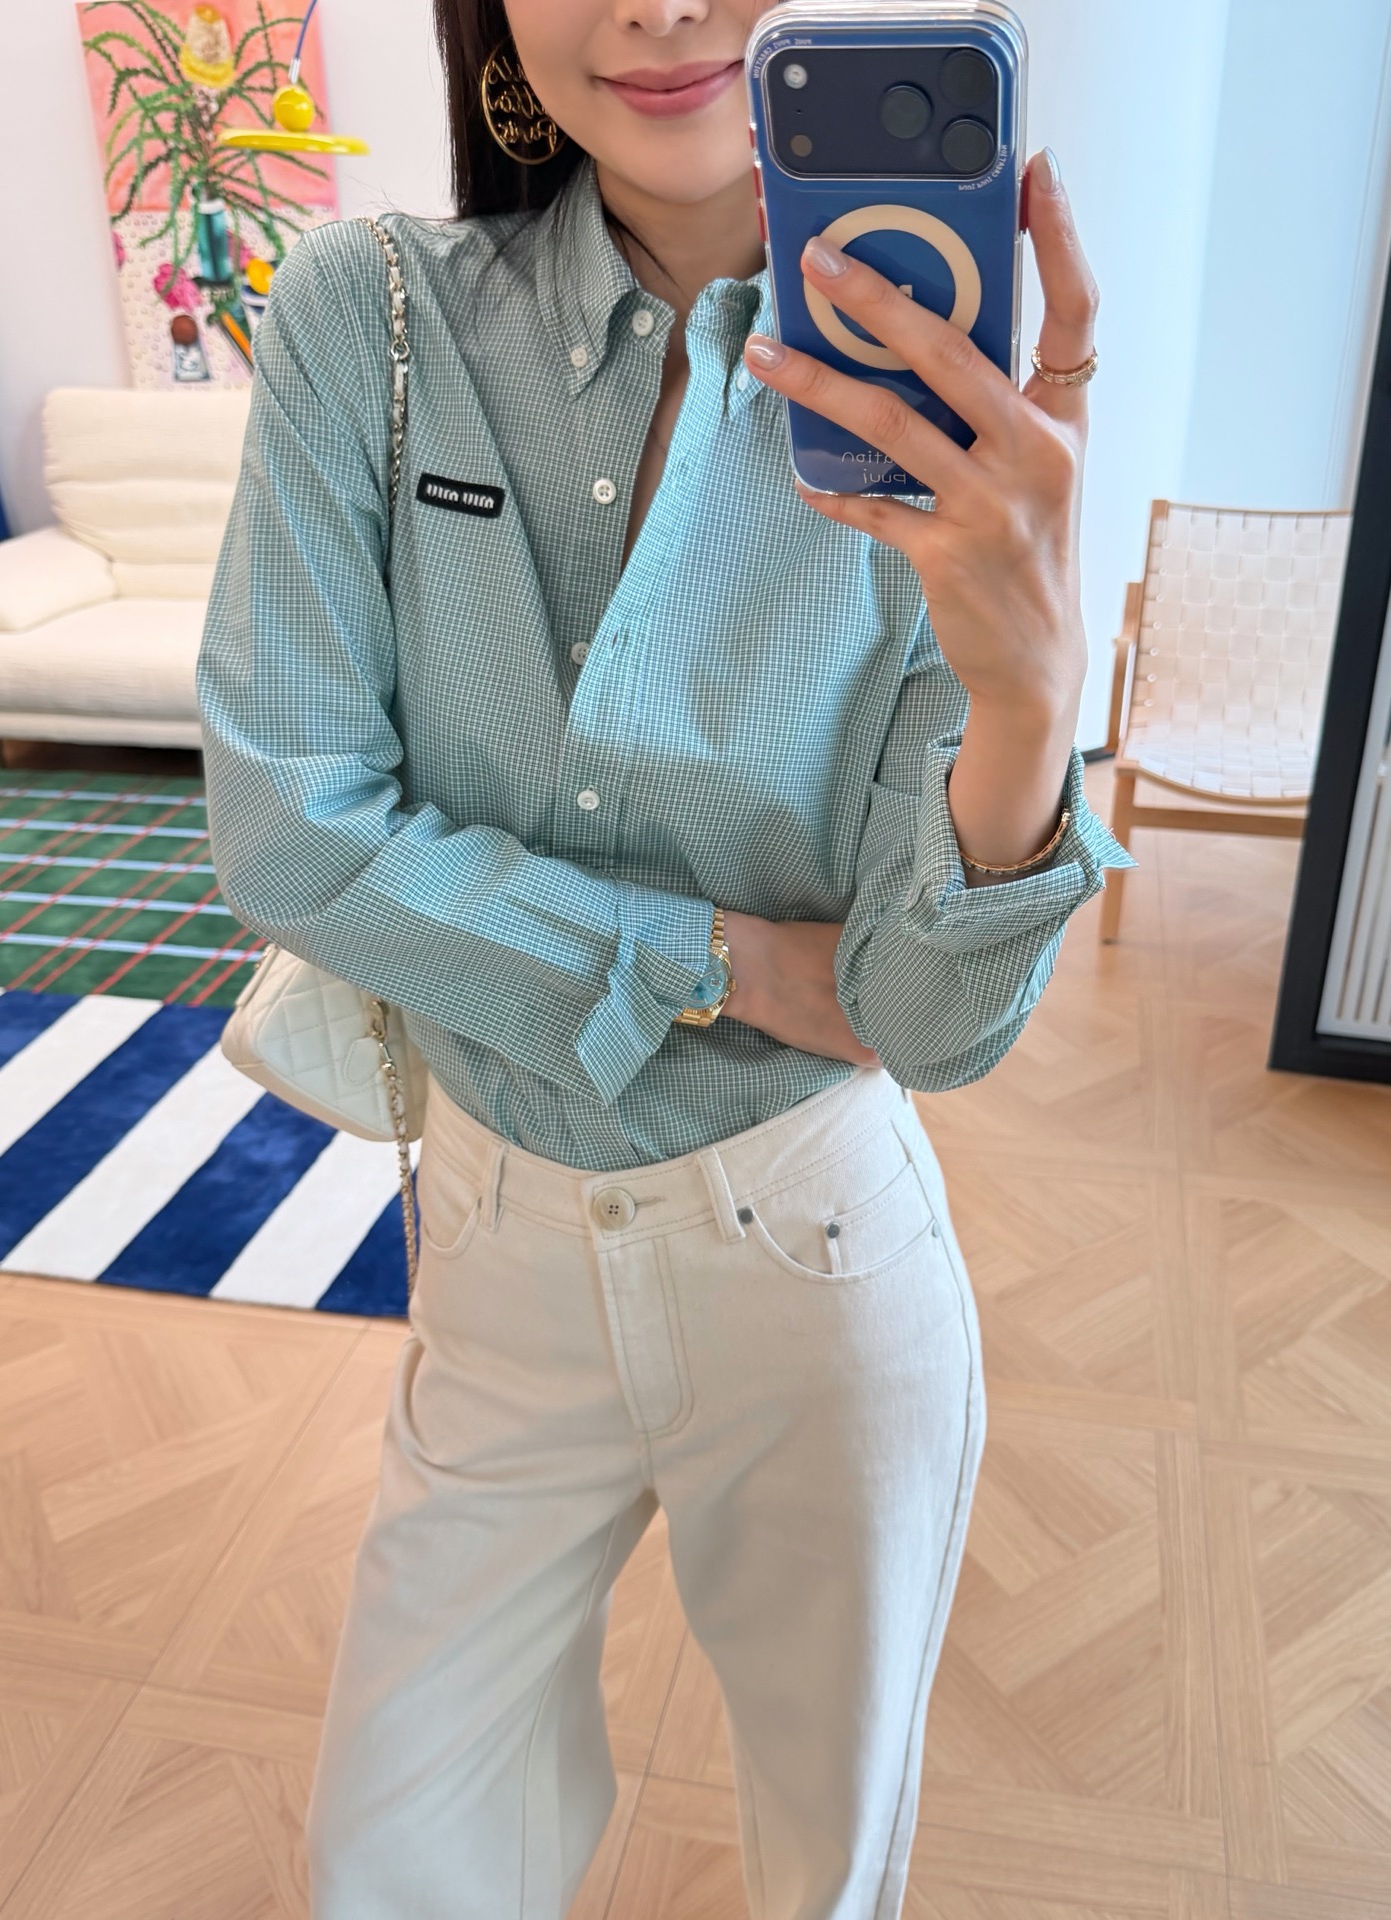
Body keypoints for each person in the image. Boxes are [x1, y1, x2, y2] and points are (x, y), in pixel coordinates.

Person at [196, 3, 1132, 1914]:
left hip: (810, 1257)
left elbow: (921, 1019)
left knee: (824, 1862)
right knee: (395, 1859)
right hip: (492, 1239)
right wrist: (716, 956)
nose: (651, 5)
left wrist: (1029, 703)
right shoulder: (374, 318)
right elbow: (291, 828)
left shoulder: (945, 406)